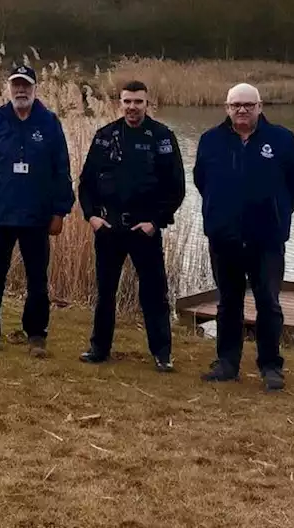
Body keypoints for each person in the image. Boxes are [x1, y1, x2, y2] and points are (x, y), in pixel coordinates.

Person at [194, 83, 294, 391]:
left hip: (266, 239)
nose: (242, 110)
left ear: (260, 106)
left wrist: (276, 213)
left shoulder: (282, 139)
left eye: (248, 105)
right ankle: (227, 364)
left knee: (268, 303)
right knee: (228, 303)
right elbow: (202, 181)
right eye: (236, 105)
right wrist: (222, 213)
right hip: (224, 238)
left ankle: (271, 366)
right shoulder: (210, 140)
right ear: (226, 108)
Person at [77, 80, 185, 372]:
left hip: (144, 230)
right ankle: (99, 348)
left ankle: (162, 354)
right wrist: (91, 217)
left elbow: (176, 188)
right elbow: (85, 183)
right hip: (109, 230)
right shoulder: (105, 136)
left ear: (147, 103)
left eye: (138, 102)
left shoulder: (161, 137)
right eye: (127, 101)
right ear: (120, 103)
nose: (132, 107)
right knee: (105, 292)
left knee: (154, 294)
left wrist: (156, 222)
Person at [0, 64, 75, 358]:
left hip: (37, 215)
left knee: (37, 279)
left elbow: (61, 169)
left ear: (35, 88)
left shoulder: (50, 122)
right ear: (8, 88)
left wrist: (60, 211)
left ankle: (36, 336)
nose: (20, 90)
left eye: (26, 85)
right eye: (16, 85)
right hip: (0, 214)